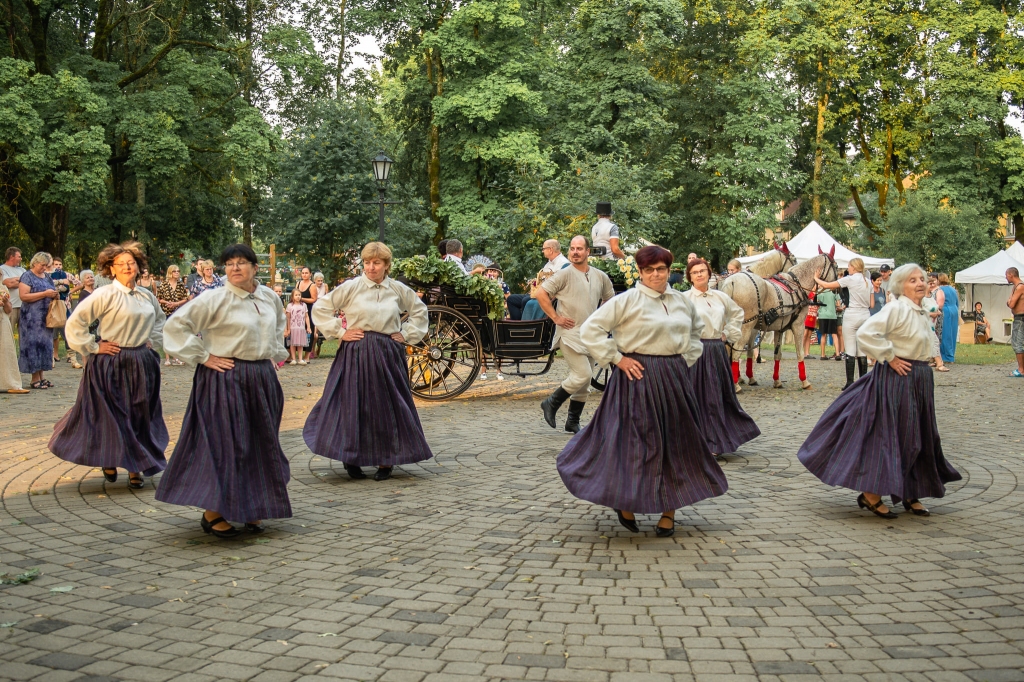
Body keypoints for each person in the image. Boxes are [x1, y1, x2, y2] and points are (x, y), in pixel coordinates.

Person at [556, 245, 726, 537]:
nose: (656, 275)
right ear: (641, 271)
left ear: (669, 270)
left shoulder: (682, 302)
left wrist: (684, 362)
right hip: (635, 378)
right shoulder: (627, 300)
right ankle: (624, 500)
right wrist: (618, 358)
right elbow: (591, 329)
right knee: (633, 442)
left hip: (673, 378)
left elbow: (696, 333)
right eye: (649, 270)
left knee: (675, 442)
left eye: (661, 269)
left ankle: (668, 512)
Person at [798, 263, 962, 518]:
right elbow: (866, 333)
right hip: (897, 379)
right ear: (900, 286)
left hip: (919, 379)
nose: (920, 283)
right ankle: (871, 494)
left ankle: (910, 490)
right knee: (892, 436)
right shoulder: (896, 308)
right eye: (912, 280)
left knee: (917, 435)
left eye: (921, 279)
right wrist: (890, 357)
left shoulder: (919, 310)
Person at [159, 244, 290, 538]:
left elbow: (278, 325)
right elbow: (176, 327)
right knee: (226, 443)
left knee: (259, 442)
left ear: (255, 268)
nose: (234, 268)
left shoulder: (269, 296)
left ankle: (252, 506)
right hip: (224, 378)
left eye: (241, 262)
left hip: (261, 378)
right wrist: (204, 356)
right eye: (229, 264)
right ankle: (213, 512)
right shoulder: (214, 298)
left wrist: (272, 354)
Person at [304, 242, 431, 482]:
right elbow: (321, 307)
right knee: (353, 403)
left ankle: (387, 460)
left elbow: (420, 311)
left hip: (387, 352)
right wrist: (341, 332)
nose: (371, 267)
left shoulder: (397, 289)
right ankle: (351, 457)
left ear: (386, 265)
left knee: (387, 406)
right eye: (367, 262)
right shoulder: (352, 287)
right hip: (356, 352)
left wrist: (405, 334)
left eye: (376, 263)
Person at [49, 241, 168, 490]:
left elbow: (160, 320)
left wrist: (151, 341)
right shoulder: (105, 294)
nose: (127, 267)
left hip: (141, 361)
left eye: (131, 263)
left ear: (138, 267)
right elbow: (75, 323)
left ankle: (136, 466)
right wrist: (94, 346)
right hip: (110, 362)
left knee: (138, 413)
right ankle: (110, 458)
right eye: (121, 264)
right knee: (112, 415)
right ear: (111, 269)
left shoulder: (146, 295)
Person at [535, 236, 615, 434]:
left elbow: (610, 299)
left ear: (588, 252)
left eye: (579, 248)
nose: (575, 252)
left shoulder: (600, 276)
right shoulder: (564, 274)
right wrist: (556, 317)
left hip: (590, 335)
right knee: (583, 375)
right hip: (569, 333)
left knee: (585, 384)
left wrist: (601, 319)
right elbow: (540, 294)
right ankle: (551, 403)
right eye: (572, 248)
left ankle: (573, 421)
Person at [683, 258, 759, 456]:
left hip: (716, 349)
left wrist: (727, 334)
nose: (699, 274)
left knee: (715, 396)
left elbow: (737, 314)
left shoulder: (720, 297)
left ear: (709, 273)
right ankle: (695, 442)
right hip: (694, 350)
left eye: (702, 271)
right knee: (695, 396)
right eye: (695, 272)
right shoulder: (683, 299)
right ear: (689, 277)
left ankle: (715, 442)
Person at [815, 257, 872, 388]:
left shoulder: (849, 279)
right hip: (865, 314)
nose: (848, 268)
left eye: (849, 266)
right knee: (862, 350)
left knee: (850, 348)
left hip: (852, 314)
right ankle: (863, 382)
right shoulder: (868, 282)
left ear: (854, 267)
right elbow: (872, 303)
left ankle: (850, 382)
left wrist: (816, 278)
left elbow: (827, 285)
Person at [18, 252, 57, 389]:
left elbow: (51, 289)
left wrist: (54, 295)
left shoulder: (47, 277)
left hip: (46, 318)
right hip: (31, 318)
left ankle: (42, 376)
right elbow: (24, 296)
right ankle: (34, 378)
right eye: (42, 265)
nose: (44, 268)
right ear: (35, 263)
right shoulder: (27, 276)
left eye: (46, 266)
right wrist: (44, 294)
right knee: (33, 346)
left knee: (45, 346)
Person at [508, 240, 569, 320]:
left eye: (544, 249)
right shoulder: (548, 264)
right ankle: (516, 326)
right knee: (511, 299)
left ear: (550, 249)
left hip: (548, 295)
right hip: (538, 292)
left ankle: (525, 326)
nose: (542, 251)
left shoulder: (563, 263)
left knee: (525, 300)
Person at [156, 264, 192, 366]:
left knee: (177, 335)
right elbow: (159, 298)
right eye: (175, 271)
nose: (177, 273)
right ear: (170, 272)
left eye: (178, 271)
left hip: (178, 313)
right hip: (166, 312)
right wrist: (167, 303)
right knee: (167, 334)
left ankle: (176, 357)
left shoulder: (181, 285)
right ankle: (167, 358)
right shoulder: (164, 285)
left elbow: (186, 298)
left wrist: (176, 304)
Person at [47, 256, 77, 363]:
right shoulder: (44, 274)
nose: (58, 266)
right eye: (56, 264)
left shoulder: (63, 273)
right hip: (48, 306)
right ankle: (52, 357)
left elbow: (66, 287)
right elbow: (47, 286)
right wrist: (60, 283)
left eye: (60, 264)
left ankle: (72, 357)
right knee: (52, 333)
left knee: (67, 331)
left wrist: (66, 290)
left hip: (63, 305)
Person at [1, 283, 28, 393]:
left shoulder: (2, 288)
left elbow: (8, 310)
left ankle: (8, 382)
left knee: (5, 351)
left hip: (2, 321)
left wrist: (6, 302)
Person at [67, 270, 97, 369]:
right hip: (88, 322)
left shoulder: (98, 291)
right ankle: (87, 368)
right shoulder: (83, 294)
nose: (90, 279)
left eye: (92, 277)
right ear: (83, 281)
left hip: (98, 322)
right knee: (87, 346)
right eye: (87, 277)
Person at [1, 247, 25, 342]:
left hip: (23, 306)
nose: (21, 258)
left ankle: (22, 356)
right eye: (19, 256)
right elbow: (9, 284)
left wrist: (15, 280)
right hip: (10, 307)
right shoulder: (2, 269)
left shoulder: (22, 269)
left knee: (23, 336)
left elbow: (29, 283)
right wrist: (22, 281)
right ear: (11, 257)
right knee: (8, 335)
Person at [295, 266, 319, 359]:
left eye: (306, 273)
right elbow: (295, 294)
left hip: (308, 310)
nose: (304, 275)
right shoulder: (298, 283)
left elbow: (314, 299)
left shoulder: (312, 285)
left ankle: (307, 355)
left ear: (310, 274)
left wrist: (302, 299)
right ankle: (297, 354)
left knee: (309, 331)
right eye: (303, 273)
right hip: (298, 309)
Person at [927, 274, 948, 371]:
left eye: (932, 283)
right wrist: (931, 314)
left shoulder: (931, 296)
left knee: (934, 341)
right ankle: (939, 364)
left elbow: (937, 306)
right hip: (924, 324)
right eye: (928, 283)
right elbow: (918, 310)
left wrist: (937, 312)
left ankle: (937, 363)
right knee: (934, 341)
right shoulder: (921, 298)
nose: (930, 285)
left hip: (932, 324)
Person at [285, 288, 311, 365]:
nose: (298, 296)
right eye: (296, 295)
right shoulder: (290, 306)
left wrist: (308, 327)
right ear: (292, 296)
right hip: (293, 327)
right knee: (292, 343)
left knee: (300, 343)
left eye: (299, 295)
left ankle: (300, 359)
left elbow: (306, 316)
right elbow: (288, 318)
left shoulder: (304, 305)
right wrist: (288, 328)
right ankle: (293, 359)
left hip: (301, 328)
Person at [937, 273, 959, 363]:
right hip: (954, 310)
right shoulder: (953, 289)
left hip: (945, 310)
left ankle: (947, 356)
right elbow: (957, 302)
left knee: (945, 334)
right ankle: (951, 354)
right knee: (953, 333)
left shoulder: (940, 290)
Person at [1007, 267, 1024, 377]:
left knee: (1017, 343)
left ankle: (1021, 369)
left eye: (1006, 275)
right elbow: (1010, 301)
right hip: (1018, 317)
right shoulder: (1015, 287)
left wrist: (1009, 301)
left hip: (1021, 318)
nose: (1006, 277)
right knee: (1018, 342)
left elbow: (1011, 304)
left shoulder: (1020, 287)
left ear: (1011, 275)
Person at [815, 287, 838, 360]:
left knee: (823, 334)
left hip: (822, 315)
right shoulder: (834, 290)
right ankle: (837, 354)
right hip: (832, 315)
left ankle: (822, 355)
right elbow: (838, 304)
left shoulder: (819, 292)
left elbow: (816, 302)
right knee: (834, 334)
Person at [802, 294, 819, 359]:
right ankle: (801, 351)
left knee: (809, 335)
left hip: (813, 316)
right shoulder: (809, 293)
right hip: (807, 316)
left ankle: (807, 353)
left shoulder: (818, 294)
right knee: (805, 334)